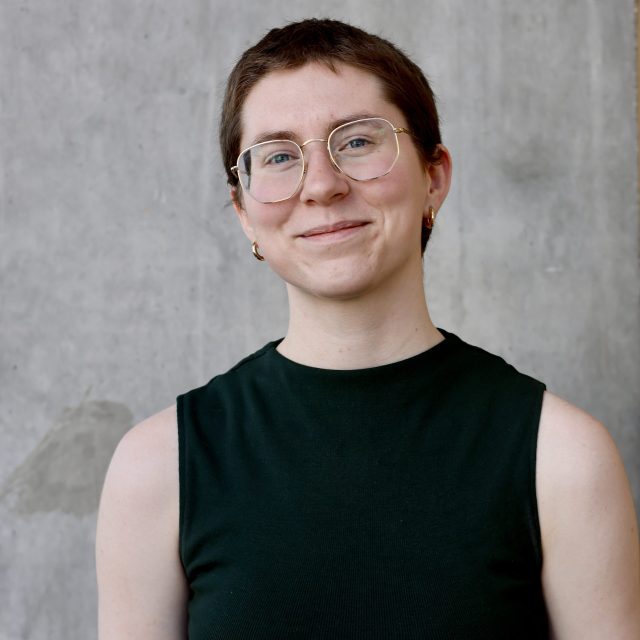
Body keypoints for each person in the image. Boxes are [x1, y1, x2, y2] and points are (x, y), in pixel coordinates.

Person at [96, 18, 640, 639]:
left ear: (434, 175)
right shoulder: (157, 467)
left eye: (357, 142)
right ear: (244, 211)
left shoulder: (563, 457)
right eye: (278, 156)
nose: (323, 186)